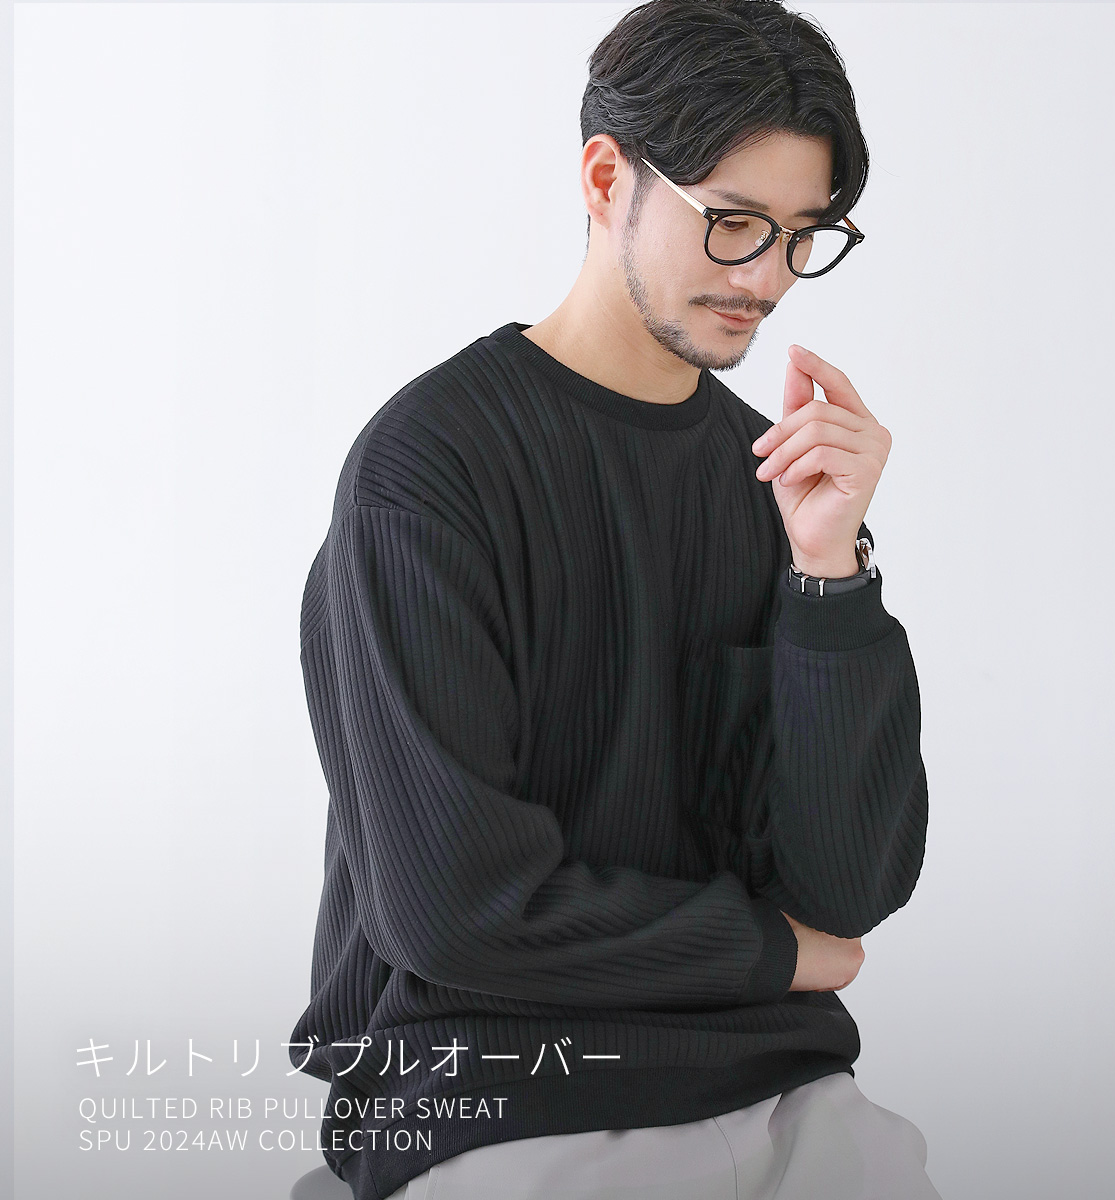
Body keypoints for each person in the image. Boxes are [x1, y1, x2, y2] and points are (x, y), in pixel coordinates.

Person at [288, 1, 940, 1197]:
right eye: (733, 223)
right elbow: (454, 912)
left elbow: (850, 893)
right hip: (497, 1091)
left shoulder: (772, 481)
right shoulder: (428, 472)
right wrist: (770, 950)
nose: (767, 278)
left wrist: (831, 575)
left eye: (803, 236)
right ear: (606, 179)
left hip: (782, 1080)